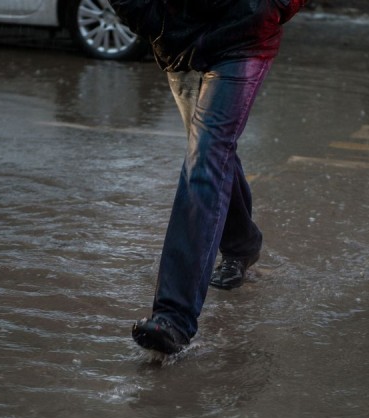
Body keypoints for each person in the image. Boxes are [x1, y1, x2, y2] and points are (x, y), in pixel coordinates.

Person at [110, 0, 307, 354]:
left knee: (206, 156)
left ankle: (174, 317)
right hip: (179, 43)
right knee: (211, 155)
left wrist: (265, 8)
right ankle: (242, 245)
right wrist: (152, 18)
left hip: (243, 37)